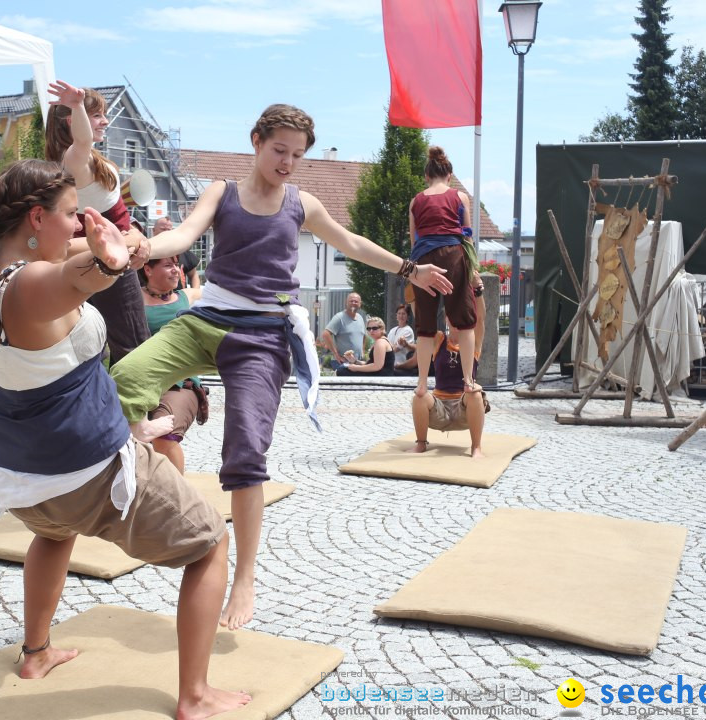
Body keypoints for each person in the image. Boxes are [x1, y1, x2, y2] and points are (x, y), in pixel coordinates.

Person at [111, 103, 453, 631]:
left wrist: (412, 267)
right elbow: (182, 236)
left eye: (297, 155)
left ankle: (244, 576)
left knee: (245, 450)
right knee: (126, 378)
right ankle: (135, 453)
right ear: (256, 141)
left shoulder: (302, 203)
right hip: (207, 319)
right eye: (279, 151)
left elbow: (353, 244)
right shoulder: (222, 193)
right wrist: (143, 247)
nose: (288, 163)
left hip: (262, 337)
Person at [0, 159, 250, 719]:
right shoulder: (31, 285)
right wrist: (110, 262)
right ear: (37, 218)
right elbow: (73, 275)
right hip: (87, 470)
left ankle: (36, 653)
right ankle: (195, 696)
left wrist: (123, 245)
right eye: (69, 216)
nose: (75, 226)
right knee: (210, 544)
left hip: (24, 478)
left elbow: (72, 260)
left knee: (55, 535)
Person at [46, 80, 151, 366]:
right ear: (72, 121)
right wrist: (79, 104)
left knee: (101, 347)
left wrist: (136, 238)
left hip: (110, 258)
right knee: (131, 348)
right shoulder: (74, 158)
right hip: (106, 262)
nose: (105, 121)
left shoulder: (77, 160)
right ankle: (135, 409)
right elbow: (82, 140)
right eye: (97, 116)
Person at [409, 146, 480, 398]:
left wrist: (414, 271)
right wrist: (474, 272)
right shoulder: (459, 198)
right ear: (449, 175)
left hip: (423, 260)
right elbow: (468, 237)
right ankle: (469, 380)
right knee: (465, 321)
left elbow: (413, 240)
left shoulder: (416, 200)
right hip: (453, 256)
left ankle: (421, 383)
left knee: (425, 325)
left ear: (427, 176)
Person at [140, 255, 207, 474]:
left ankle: (178, 497)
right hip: (139, 382)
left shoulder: (187, 297)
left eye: (177, 266)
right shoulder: (131, 299)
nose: (176, 270)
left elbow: (227, 296)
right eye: (168, 265)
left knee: (163, 436)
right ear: (148, 270)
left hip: (180, 384)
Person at [408, 312, 489, 459]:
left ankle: (476, 447)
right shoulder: (439, 339)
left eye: (460, 317)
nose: (457, 322)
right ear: (446, 319)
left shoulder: (473, 342)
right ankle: (421, 443)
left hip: (464, 407)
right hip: (440, 408)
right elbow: (423, 325)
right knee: (419, 396)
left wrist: (478, 292)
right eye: (453, 318)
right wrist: (417, 296)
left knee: (475, 394)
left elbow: (481, 318)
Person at [322, 292, 366, 366]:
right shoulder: (339, 317)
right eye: (351, 301)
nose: (353, 303)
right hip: (343, 362)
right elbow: (326, 334)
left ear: (360, 304)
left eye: (356, 301)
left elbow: (364, 335)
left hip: (358, 362)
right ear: (346, 302)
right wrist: (335, 354)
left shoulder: (360, 318)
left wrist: (363, 351)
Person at [388, 304, 418, 375]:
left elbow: (397, 348)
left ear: (408, 316)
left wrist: (388, 350)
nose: (401, 316)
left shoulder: (408, 330)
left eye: (404, 314)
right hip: (391, 363)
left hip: (400, 364)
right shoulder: (392, 330)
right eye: (399, 313)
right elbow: (389, 345)